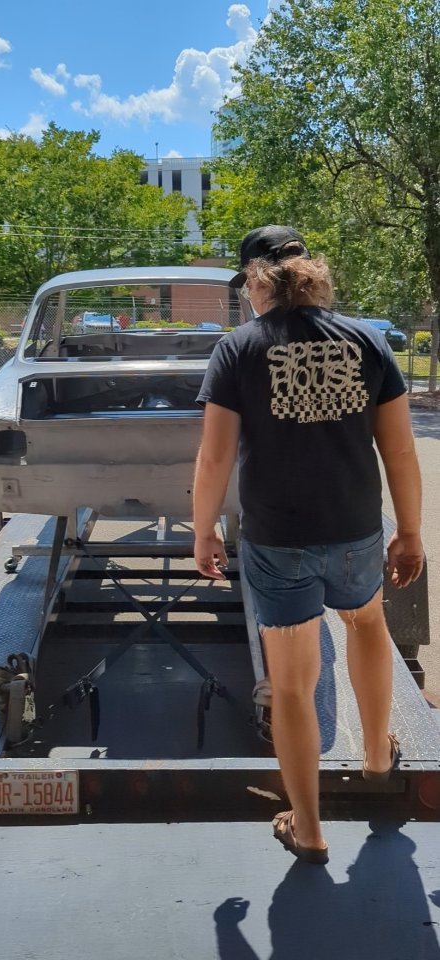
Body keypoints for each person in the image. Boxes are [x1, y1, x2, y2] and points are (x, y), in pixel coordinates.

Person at [193, 225, 424, 864]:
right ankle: (377, 757)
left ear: (256, 282)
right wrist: (410, 531)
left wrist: (204, 529)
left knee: (293, 686)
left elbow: (214, 458)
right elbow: (400, 450)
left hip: (278, 540)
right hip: (355, 530)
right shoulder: (367, 340)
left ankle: (310, 830)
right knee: (366, 623)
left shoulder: (237, 349)